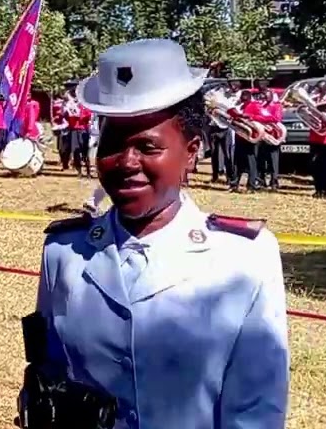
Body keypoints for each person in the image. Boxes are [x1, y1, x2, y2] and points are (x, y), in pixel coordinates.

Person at [19, 39, 288, 429]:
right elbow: (48, 379)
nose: (127, 163)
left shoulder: (244, 257)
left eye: (148, 146)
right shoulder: (64, 251)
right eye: (112, 144)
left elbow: (257, 409)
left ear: (192, 151)